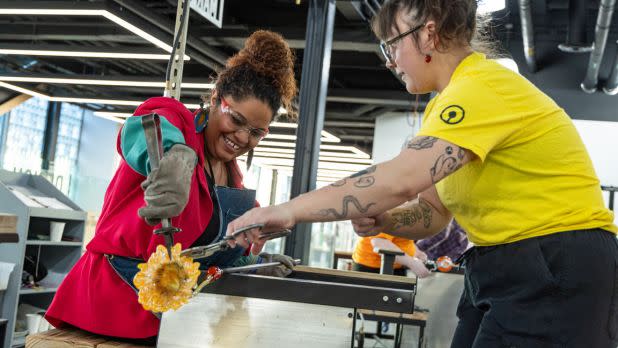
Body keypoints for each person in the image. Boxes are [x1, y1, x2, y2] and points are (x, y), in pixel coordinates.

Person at [225, 1, 618, 347]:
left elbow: (399, 179)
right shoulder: (444, 107)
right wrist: (386, 218)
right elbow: (433, 211)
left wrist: (289, 210)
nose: (390, 60)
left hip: (556, 266)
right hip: (508, 266)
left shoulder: (480, 88)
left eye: (393, 44)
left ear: (428, 34)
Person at [45, 30, 298, 342]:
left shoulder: (234, 182)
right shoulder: (176, 123)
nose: (244, 138)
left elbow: (210, 268)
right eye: (236, 120)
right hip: (110, 312)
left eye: (256, 132)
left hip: (175, 319)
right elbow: (141, 130)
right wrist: (172, 158)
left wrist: (252, 266)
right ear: (217, 98)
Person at [351, 232, 431, 277]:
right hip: (371, 269)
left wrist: (417, 252)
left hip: (394, 267)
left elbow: (400, 240)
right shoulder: (391, 208)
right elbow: (379, 242)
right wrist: (412, 263)